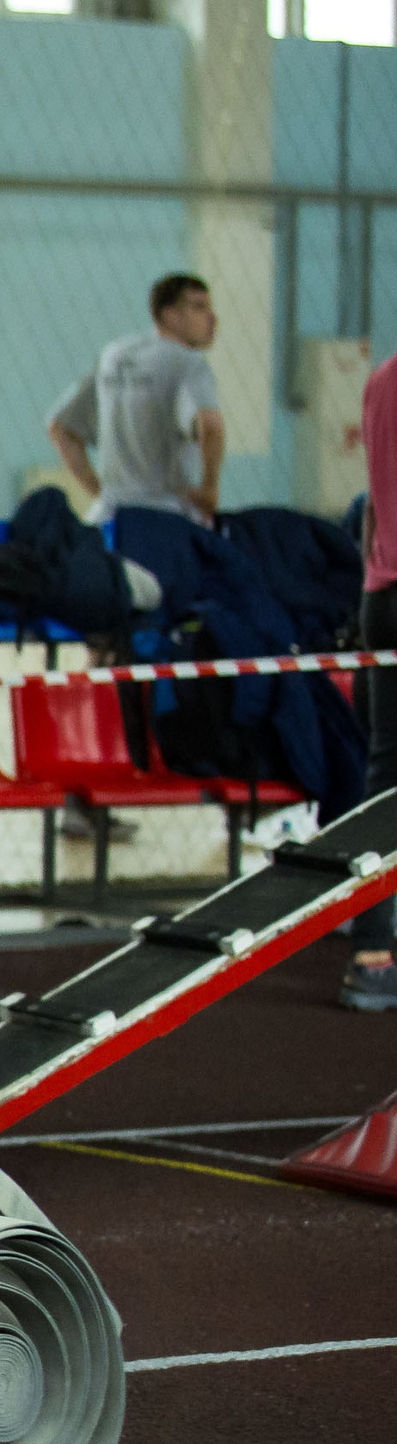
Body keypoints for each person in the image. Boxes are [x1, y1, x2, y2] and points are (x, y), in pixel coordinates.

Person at [48, 273, 224, 526]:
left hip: (109, 517)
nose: (212, 318)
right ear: (170, 315)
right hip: (168, 517)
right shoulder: (188, 363)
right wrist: (210, 489)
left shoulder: (114, 356)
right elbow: (212, 426)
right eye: (199, 307)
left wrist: (101, 492)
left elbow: (60, 428)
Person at [344, 351, 397, 1013]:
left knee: (386, 779)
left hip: (381, 592)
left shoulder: (382, 379)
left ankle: (371, 950)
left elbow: (371, 506)